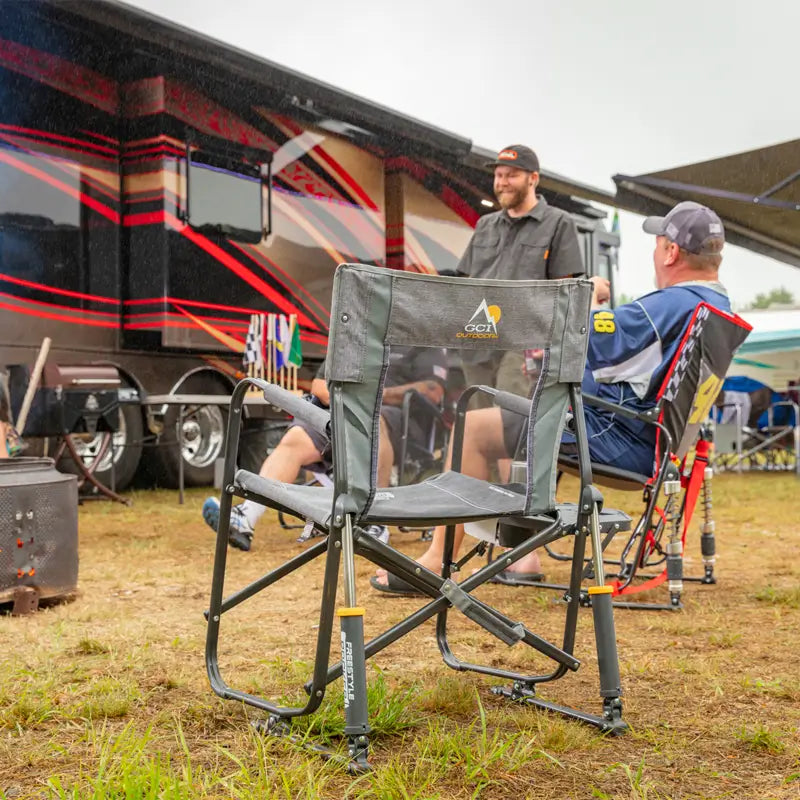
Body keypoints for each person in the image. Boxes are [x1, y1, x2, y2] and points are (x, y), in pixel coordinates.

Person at [372, 200, 732, 595]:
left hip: (613, 438)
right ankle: (522, 555)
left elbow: (578, 336)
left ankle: (437, 565)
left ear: (670, 251)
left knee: (476, 427)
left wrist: (587, 295)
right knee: (521, 420)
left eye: (658, 242)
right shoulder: (717, 305)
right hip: (649, 443)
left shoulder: (670, 304)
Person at [202, 345, 448, 551]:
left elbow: (432, 390)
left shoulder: (417, 339)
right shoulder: (353, 333)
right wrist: (349, 400)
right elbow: (319, 385)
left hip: (398, 421)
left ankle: (374, 520)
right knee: (295, 439)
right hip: (340, 413)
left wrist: (373, 396)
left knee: (373, 421)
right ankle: (246, 517)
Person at [457, 144, 585, 403]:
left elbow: (566, 291)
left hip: (523, 343)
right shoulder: (485, 225)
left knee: (508, 422)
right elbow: (463, 282)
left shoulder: (559, 223)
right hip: (476, 342)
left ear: (533, 179)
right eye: (499, 175)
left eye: (511, 175)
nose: (502, 183)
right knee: (476, 427)